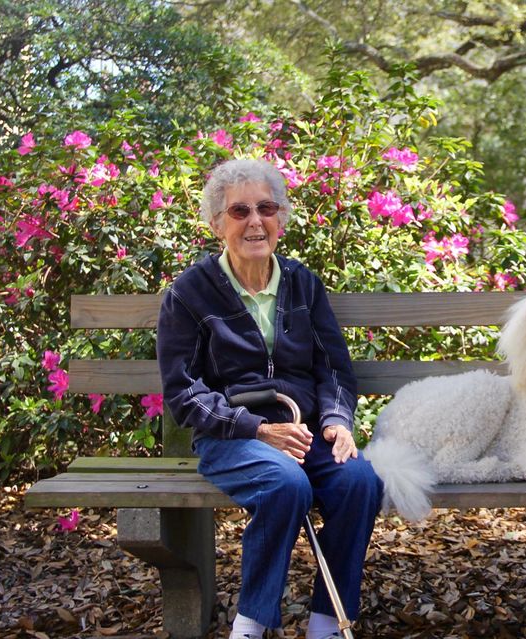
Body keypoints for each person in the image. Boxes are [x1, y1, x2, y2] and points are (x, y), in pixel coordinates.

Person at [156, 158, 383, 639]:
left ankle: (327, 622)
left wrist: (337, 420)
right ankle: (251, 624)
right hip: (231, 436)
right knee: (285, 483)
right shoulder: (189, 294)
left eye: (266, 208)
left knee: (359, 481)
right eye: (239, 211)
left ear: (281, 217)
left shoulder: (303, 284)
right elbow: (184, 392)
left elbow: (333, 368)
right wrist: (256, 429)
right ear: (216, 224)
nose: (255, 221)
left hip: (305, 430)